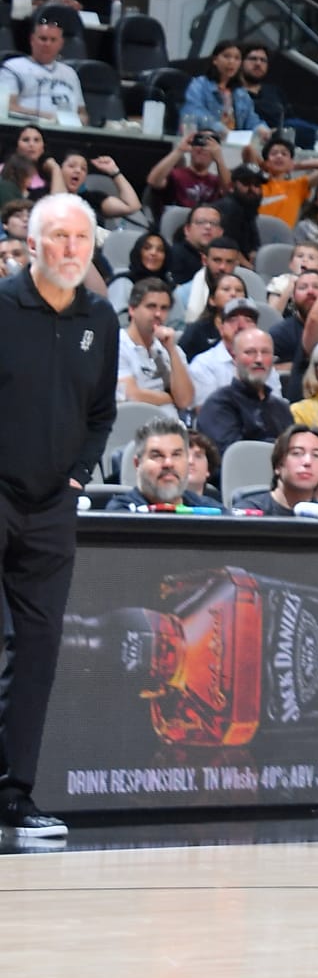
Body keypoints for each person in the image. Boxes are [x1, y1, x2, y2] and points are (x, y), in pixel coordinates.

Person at [0, 193, 114, 842]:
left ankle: (15, 793)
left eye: (82, 238)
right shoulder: (2, 304)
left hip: (52, 505)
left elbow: (100, 413)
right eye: (60, 237)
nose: (73, 248)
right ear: (34, 242)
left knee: (39, 649)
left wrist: (79, 472)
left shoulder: (100, 315)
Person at [193, 326, 292, 453]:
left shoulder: (281, 408)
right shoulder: (219, 404)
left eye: (265, 352)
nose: (259, 359)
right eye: (250, 352)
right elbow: (235, 456)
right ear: (234, 358)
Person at [115, 276, 196, 413]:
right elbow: (132, 395)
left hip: (171, 426)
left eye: (164, 308)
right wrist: (172, 398)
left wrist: (171, 350)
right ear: (132, 309)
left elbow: (185, 400)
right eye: (151, 306)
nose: (158, 314)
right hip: (131, 422)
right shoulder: (117, 344)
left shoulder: (171, 348)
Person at [234, 423, 318, 518]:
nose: (307, 462)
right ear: (278, 466)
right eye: (297, 453)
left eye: (316, 455)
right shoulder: (249, 512)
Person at [0, 17, 85, 126]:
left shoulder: (70, 73)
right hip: (28, 129)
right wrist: (51, 117)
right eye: (43, 39)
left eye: (53, 40)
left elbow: (82, 113)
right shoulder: (13, 67)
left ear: (61, 44)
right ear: (32, 40)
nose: (47, 44)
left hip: (68, 132)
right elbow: (8, 107)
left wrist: (78, 120)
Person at [102, 419, 195, 515]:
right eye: (157, 456)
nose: (168, 463)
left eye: (176, 455)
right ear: (137, 464)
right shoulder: (121, 512)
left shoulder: (207, 507)